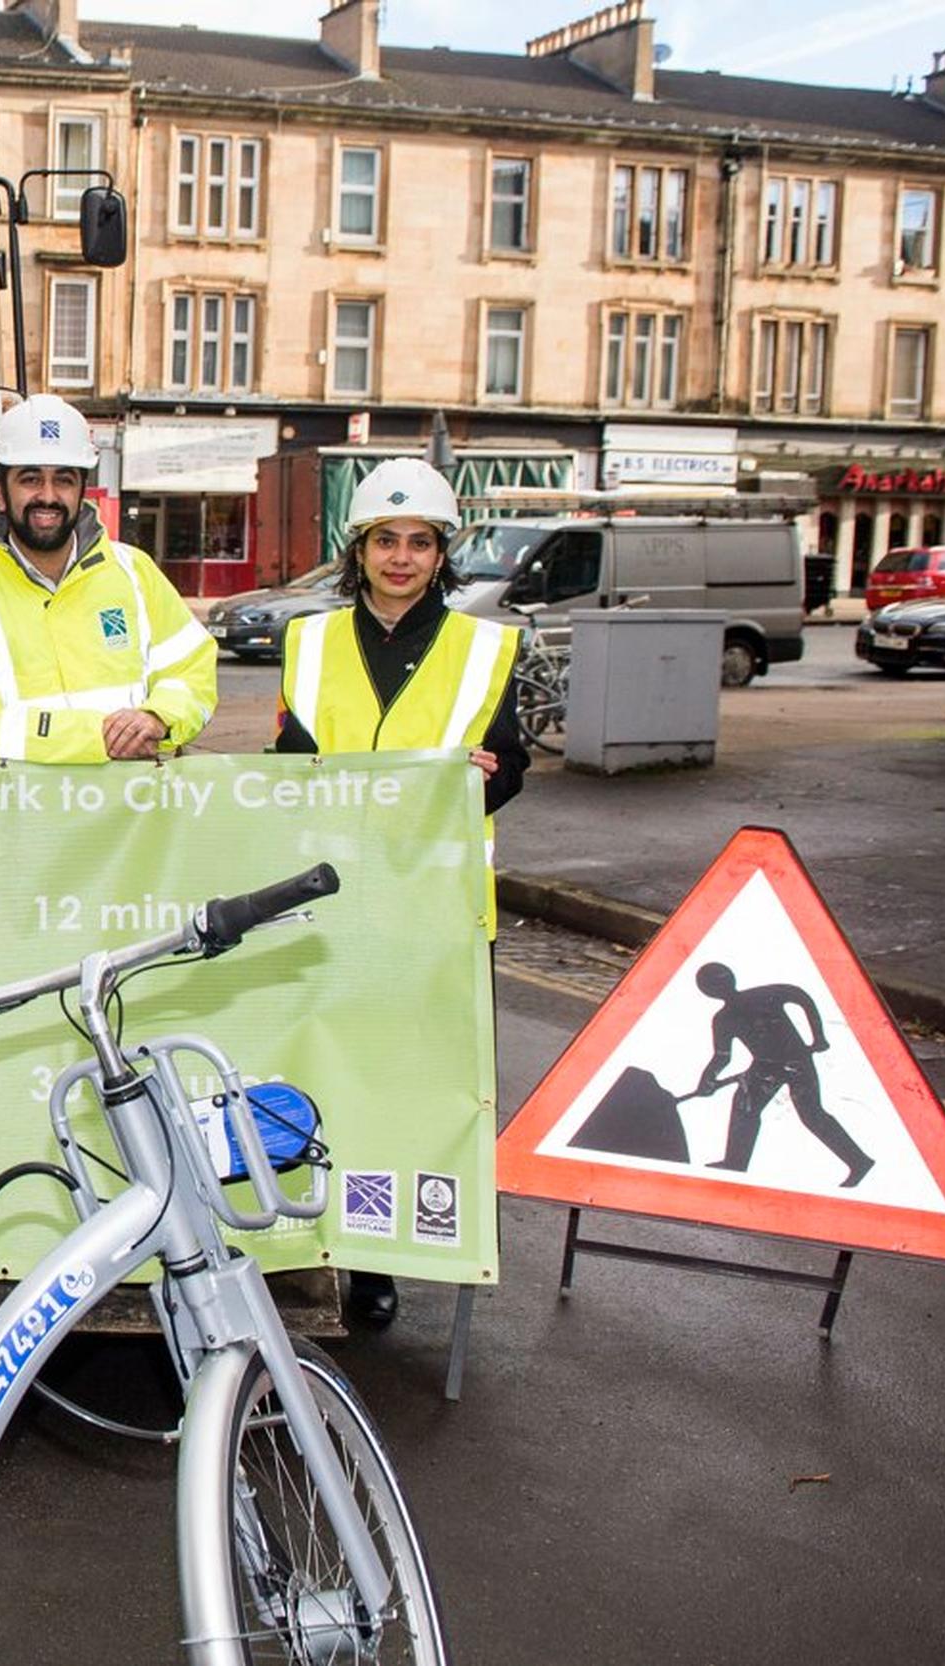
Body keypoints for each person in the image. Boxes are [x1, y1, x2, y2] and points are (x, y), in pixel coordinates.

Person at [273, 456, 528, 1326]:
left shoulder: (481, 648)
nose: (403, 557)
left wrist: (486, 778)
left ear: (441, 555)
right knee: (331, 1077)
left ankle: (384, 1255)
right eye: (388, 539)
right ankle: (323, 1239)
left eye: (421, 542)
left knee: (414, 1086)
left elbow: (512, 767)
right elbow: (288, 770)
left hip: (436, 910)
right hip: (336, 903)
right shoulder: (308, 644)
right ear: (360, 548)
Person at [0, 394, 216, 761]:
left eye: (64, 479)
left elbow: (193, 671)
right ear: (0, 492)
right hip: (21, 815)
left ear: (81, 491)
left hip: (132, 814)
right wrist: (102, 738)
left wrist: (159, 716)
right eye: (30, 479)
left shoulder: (134, 571)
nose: (48, 496)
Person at [688, 962, 870, 1185]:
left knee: (811, 1115)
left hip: (796, 1061)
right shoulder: (726, 1017)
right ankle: (735, 1164)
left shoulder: (758, 999)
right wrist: (707, 1080)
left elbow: (801, 996)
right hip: (765, 1067)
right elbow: (723, 1056)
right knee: (744, 1107)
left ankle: (859, 1162)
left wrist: (818, 1036)